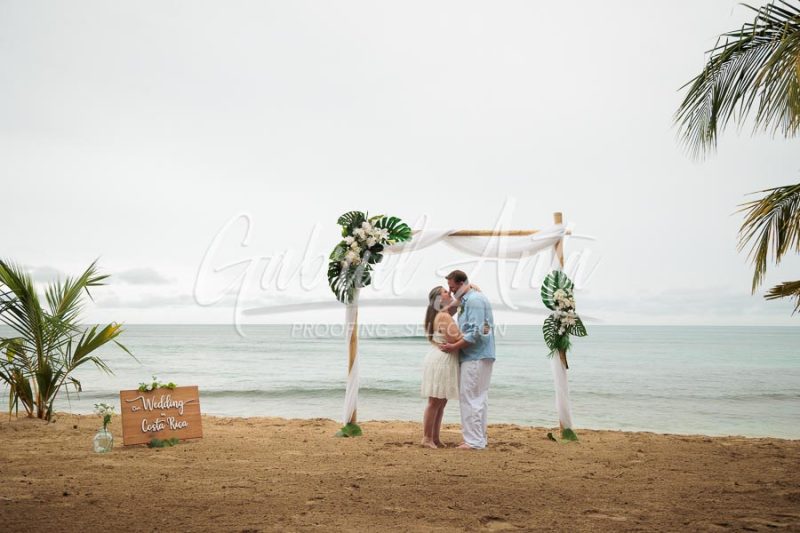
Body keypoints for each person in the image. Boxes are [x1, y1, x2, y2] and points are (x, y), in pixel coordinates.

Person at [439, 270, 496, 450]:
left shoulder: (474, 300)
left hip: (475, 356)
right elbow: (449, 310)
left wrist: (453, 347)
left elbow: (476, 332)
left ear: (463, 283)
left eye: (453, 287)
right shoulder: (469, 299)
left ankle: (473, 441)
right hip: (478, 355)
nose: (451, 291)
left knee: (470, 398)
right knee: (478, 398)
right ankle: (478, 439)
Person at [420, 285, 461, 448]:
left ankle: (435, 437)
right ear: (438, 299)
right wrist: (473, 333)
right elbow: (454, 339)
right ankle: (427, 438)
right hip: (441, 360)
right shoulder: (443, 316)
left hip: (443, 359)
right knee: (435, 401)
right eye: (445, 292)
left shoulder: (443, 313)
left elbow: (457, 305)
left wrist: (468, 289)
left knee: (441, 402)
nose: (449, 293)